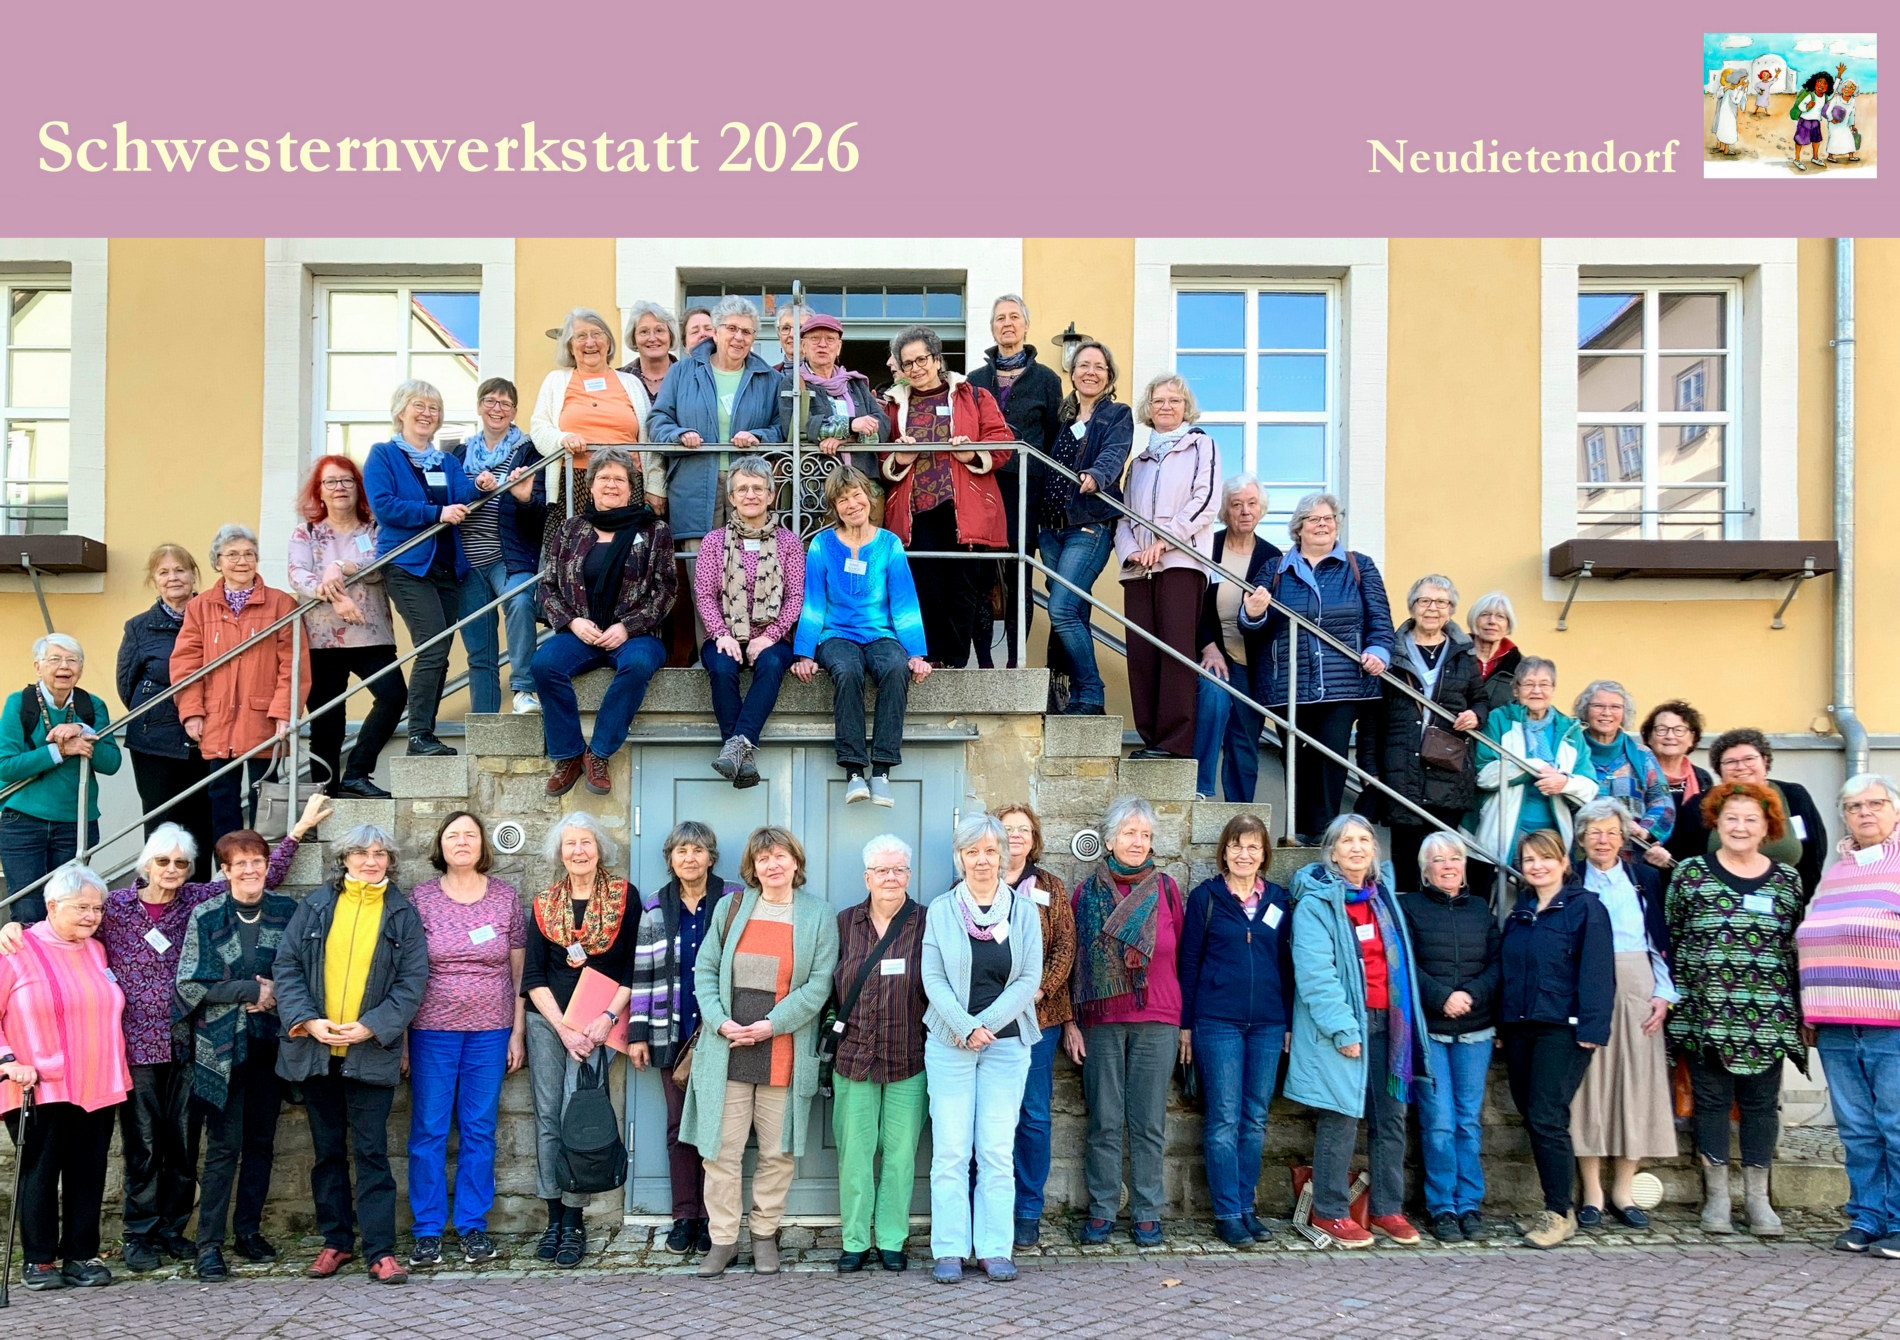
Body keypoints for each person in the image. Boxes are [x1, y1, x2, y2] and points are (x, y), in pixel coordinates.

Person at [63, 804, 317, 1273]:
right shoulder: (115, 907)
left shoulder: (195, 902)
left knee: (183, 1142)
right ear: (146, 864)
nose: (173, 870)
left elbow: (255, 868)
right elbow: (67, 915)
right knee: (142, 1142)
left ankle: (173, 1230)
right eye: (164, 862)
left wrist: (298, 831)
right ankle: (139, 1233)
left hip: (188, 1041)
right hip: (136, 1043)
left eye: (181, 862)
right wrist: (16, 929)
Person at [272, 823, 430, 1285]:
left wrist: (372, 1026)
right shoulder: (317, 905)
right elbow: (287, 966)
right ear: (344, 859)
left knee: (372, 1152)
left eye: (380, 853)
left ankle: (380, 1251)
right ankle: (336, 1242)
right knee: (326, 1153)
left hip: (370, 1053)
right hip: (316, 1051)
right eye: (361, 852)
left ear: (390, 861)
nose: (370, 860)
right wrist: (307, 1019)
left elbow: (412, 981)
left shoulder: (402, 913)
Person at [681, 826, 839, 1278]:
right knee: (721, 1152)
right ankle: (724, 1240)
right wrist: (720, 1020)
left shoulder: (817, 915)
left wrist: (772, 1025)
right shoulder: (731, 908)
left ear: (795, 862)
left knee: (777, 1152)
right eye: (764, 858)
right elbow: (705, 970)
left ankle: (765, 1235)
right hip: (727, 1048)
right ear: (753, 867)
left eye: (781, 856)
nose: (773, 865)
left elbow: (818, 985)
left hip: (783, 1050)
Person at [1665, 781, 1805, 1236]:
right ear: (1716, 823)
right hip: (1707, 1014)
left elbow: (1793, 948)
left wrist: (1801, 1014)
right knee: (1711, 1104)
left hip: (1769, 1015)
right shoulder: (1690, 874)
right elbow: (1675, 939)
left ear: (1767, 827)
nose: (1740, 827)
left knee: (1761, 1106)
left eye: (1751, 819)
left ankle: (1759, 1201)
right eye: (1731, 819)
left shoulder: (1787, 881)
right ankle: (1718, 1199)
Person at [1287, 815, 1430, 1248]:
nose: (1356, 847)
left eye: (1364, 840)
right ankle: (1330, 1211)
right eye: (1346, 841)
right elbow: (1316, 974)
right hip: (1348, 1026)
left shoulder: (1383, 898)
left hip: (1393, 1025)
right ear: (1331, 852)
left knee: (1391, 1119)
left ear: (1374, 851)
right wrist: (1343, 1028)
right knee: (1341, 1115)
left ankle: (1386, 1208)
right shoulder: (1317, 903)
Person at [174, 828, 303, 1280]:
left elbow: (303, 970)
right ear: (224, 870)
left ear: (269, 866)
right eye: (240, 863)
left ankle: (248, 1231)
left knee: (262, 1144)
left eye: (257, 861)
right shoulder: (207, 915)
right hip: (221, 1050)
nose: (250, 870)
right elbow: (191, 982)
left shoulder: (288, 911)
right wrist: (253, 988)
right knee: (224, 1148)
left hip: (271, 1043)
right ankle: (209, 1245)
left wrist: (274, 997)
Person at [403, 812, 527, 1269]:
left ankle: (473, 1227)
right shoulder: (420, 898)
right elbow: (406, 971)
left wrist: (518, 1031)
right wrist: (400, 1040)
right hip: (431, 1030)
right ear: (441, 844)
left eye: (469, 835)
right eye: (452, 835)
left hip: (490, 1031)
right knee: (429, 1131)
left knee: (479, 1129)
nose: (461, 842)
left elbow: (518, 973)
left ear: (481, 846)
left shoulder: (506, 899)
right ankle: (428, 1231)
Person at [922, 815, 1042, 1284]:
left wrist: (985, 1026)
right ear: (961, 858)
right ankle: (950, 1248)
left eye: (991, 851)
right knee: (951, 1151)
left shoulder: (1024, 911)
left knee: (995, 1150)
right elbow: (932, 978)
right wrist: (964, 1026)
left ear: (1004, 856)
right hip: (949, 1044)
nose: (982, 860)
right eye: (972, 851)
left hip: (1007, 1046)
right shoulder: (940, 909)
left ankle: (994, 1247)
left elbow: (1030, 979)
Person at [0, 864, 131, 1290]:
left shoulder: (96, 949)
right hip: (36, 1083)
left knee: (88, 1170)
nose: (92, 916)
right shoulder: (16, 949)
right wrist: (7, 1061)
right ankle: (38, 1260)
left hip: (98, 1079)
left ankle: (81, 1254)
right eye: (82, 907)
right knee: (39, 1171)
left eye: (97, 908)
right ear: (52, 905)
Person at [1065, 796, 1185, 1246]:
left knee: (1150, 1120)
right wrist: (1072, 1023)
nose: (1138, 842)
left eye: (1146, 835)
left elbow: (1185, 958)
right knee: (1104, 1119)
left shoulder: (1167, 889)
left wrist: (1186, 1023)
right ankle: (1101, 1210)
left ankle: (1147, 1211)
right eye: (1130, 833)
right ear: (1110, 839)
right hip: (1101, 1020)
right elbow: (1074, 961)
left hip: (1159, 1018)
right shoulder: (1086, 893)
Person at [521, 812, 637, 1268]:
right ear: (559, 852)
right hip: (549, 1022)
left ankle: (575, 1219)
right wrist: (563, 1029)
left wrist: (607, 1019)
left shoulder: (624, 899)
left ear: (599, 849)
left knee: (579, 1114)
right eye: (570, 844)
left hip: (599, 1024)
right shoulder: (543, 904)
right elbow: (531, 975)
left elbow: (632, 969)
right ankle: (554, 1217)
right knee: (548, 1115)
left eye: (586, 842)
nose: (578, 851)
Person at [1243, 491, 1395, 832]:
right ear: (1299, 528)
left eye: (1329, 518)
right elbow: (1252, 628)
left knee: (1331, 758)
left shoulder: (1360, 566)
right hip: (1288, 685)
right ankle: (1298, 834)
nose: (1323, 524)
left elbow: (1381, 622)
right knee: (1295, 759)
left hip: (1343, 684)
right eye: (1314, 519)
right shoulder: (1274, 569)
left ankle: (1324, 838)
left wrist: (1379, 652)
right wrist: (1251, 613)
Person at [531, 446, 675, 798]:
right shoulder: (570, 530)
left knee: (639, 664)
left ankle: (598, 754)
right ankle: (567, 755)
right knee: (544, 663)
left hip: (636, 633)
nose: (611, 485)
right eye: (604, 478)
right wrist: (572, 623)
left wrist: (627, 626)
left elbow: (666, 590)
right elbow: (547, 587)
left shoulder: (654, 531)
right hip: (582, 631)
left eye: (619, 479)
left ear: (631, 487)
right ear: (591, 485)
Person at [648, 295, 787, 660]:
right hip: (696, 485)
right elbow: (657, 420)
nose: (739, 337)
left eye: (747, 331)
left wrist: (759, 437)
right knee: (702, 581)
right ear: (717, 330)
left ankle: (752, 654)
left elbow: (780, 429)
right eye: (731, 329)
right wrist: (677, 434)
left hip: (749, 486)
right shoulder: (683, 370)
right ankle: (713, 657)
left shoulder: (767, 377)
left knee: (753, 570)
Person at [1796, 774, 1900, 1256]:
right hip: (1836, 1022)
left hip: (1891, 1023)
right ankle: (1868, 1217)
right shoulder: (1839, 869)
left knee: (1896, 1126)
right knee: (1857, 1129)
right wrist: (1810, 1012)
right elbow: (1815, 941)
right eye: (1854, 806)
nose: (1865, 813)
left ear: (1895, 812)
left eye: (1875, 804)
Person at [627, 821, 741, 1256]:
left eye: (697, 850)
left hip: (722, 1033)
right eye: (681, 851)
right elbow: (643, 971)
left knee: (719, 1131)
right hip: (671, 1032)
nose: (689, 858)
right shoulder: (656, 905)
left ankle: (716, 1219)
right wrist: (638, 1032)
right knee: (679, 1129)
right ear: (670, 859)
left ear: (711, 857)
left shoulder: (734, 899)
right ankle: (684, 1216)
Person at [1497, 829, 1613, 1249]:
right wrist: (1501, 1022)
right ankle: (1555, 1206)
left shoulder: (1585, 909)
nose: (1537, 866)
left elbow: (1598, 973)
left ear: (1565, 862)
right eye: (1528, 860)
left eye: (1545, 858)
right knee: (1533, 1114)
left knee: (1546, 1115)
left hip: (1563, 1028)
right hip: (1520, 1025)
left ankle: (1560, 1212)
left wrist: (1592, 1030)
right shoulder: (1521, 912)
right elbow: (1509, 971)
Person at [1180, 812, 1292, 1247]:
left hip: (1267, 1023)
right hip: (1217, 1023)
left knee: (1256, 1118)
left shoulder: (1279, 901)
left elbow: (1287, 965)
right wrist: (1186, 1025)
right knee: (1223, 1118)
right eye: (1236, 846)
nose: (1244, 854)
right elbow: (1188, 963)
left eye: (1253, 847)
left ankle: (1247, 1207)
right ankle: (1227, 1213)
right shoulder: (1205, 898)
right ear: (1223, 851)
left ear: (1264, 854)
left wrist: (1287, 1022)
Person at [790, 467, 931, 808]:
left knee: (896, 669)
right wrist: (804, 653)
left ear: (869, 497)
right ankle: (854, 770)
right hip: (835, 635)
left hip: (880, 634)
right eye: (842, 499)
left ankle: (881, 771)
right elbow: (813, 602)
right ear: (834, 507)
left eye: (856, 495)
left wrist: (916, 653)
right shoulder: (821, 545)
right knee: (848, 670)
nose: (852, 504)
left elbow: (903, 601)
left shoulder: (889, 544)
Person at [1569, 798, 1678, 1229]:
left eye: (1612, 831)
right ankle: (1592, 1192)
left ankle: (1624, 1190)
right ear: (1580, 839)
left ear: (1624, 838)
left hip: (1638, 983)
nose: (1603, 839)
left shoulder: (1644, 878)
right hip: (1586, 986)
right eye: (1594, 832)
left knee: (1636, 1086)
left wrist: (1664, 994)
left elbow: (1661, 939)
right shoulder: (1571, 880)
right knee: (1590, 1089)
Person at [880, 325, 1013, 668]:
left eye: (922, 359)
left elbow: (1003, 445)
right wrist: (900, 459)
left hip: (963, 506)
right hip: (916, 509)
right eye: (907, 363)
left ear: (938, 359)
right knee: (925, 585)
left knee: (963, 587)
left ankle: (954, 659)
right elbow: (880, 459)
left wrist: (971, 453)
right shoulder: (893, 405)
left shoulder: (975, 396)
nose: (915, 368)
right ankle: (930, 656)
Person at [361, 380, 478, 756]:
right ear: (400, 412)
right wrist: (436, 513)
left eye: (434, 407)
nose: (427, 413)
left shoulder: (446, 460)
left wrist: (486, 482)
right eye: (419, 405)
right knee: (432, 645)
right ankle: (417, 736)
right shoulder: (383, 455)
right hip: (408, 565)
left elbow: (462, 494)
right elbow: (385, 507)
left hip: (446, 567)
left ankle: (423, 732)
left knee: (440, 648)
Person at [831, 834, 929, 1274]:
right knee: (855, 1152)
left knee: (901, 1153)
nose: (891, 877)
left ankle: (891, 1238)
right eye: (883, 870)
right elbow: (824, 985)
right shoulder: (844, 923)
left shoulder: (928, 922)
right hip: (853, 1057)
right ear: (867, 877)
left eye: (899, 870)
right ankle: (854, 1239)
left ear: (909, 875)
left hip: (910, 1056)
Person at [171, 524, 308, 834]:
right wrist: (191, 712)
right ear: (217, 561)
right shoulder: (199, 606)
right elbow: (186, 664)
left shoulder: (281, 605)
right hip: (217, 719)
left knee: (267, 797)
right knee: (221, 799)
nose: (242, 561)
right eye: (232, 554)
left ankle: (267, 867)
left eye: (249, 554)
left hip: (265, 719)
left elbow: (294, 664)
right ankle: (227, 873)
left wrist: (285, 713)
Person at [1404, 831, 1501, 1242]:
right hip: (1432, 1034)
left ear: (1465, 866)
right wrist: (1441, 997)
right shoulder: (1409, 907)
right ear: (1425, 870)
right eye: (1439, 859)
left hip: (1475, 1033)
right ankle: (1442, 1205)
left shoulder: (1481, 910)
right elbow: (1404, 964)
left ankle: (1469, 1204)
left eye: (1455, 858)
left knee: (1468, 1123)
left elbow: (1498, 964)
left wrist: (1471, 996)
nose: (1448, 865)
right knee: (1439, 1124)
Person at [288, 453, 404, 799]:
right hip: (322, 639)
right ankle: (322, 797)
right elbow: (298, 574)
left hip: (370, 633)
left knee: (394, 696)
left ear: (358, 487)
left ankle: (357, 773)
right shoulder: (306, 532)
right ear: (319, 491)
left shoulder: (374, 527)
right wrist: (338, 598)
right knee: (327, 723)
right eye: (331, 482)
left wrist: (339, 565)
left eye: (346, 480)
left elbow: (381, 565)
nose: (339, 488)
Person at [1118, 374, 1219, 760]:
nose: (1166, 406)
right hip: (1139, 569)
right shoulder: (1139, 462)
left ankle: (1175, 743)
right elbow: (1123, 516)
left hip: (1180, 562)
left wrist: (1164, 541)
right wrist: (1131, 552)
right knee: (1142, 654)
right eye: (1158, 400)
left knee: (1175, 652)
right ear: (1149, 407)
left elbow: (1204, 500)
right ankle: (1150, 739)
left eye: (1174, 400)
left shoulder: (1201, 446)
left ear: (1185, 406)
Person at [1033, 340, 1132, 718]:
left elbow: (1114, 453)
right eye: (1083, 365)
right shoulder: (1062, 418)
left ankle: (1091, 691)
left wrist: (1097, 475)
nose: (1090, 372)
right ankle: (1078, 697)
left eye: (1099, 367)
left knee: (1060, 608)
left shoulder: (1116, 414)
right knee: (1074, 611)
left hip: (1088, 525)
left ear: (1109, 376)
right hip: (1051, 529)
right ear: (1072, 373)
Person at [694, 456, 805, 788]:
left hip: (772, 641)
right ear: (731, 498)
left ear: (771, 495)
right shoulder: (713, 542)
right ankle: (744, 755)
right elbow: (704, 594)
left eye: (758, 488)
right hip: (724, 635)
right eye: (742, 488)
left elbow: (795, 598)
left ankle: (735, 746)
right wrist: (721, 634)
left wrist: (769, 636)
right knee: (723, 667)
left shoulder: (789, 543)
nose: (750, 494)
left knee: (771, 665)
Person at [995, 802, 1075, 1249]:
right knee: (987, 1118)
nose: (1017, 836)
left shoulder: (1051, 887)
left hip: (1039, 1020)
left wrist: (1037, 991)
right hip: (987, 1023)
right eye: (1008, 828)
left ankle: (1027, 1208)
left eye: (1024, 829)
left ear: (1034, 838)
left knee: (1033, 1116)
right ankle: (986, 1204)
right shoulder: (969, 886)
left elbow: (1065, 946)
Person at [967, 296, 1063, 671]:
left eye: (1014, 318)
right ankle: (985, 662)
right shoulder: (974, 380)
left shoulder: (1047, 380)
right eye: (999, 318)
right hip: (983, 487)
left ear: (1025, 326)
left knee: (1019, 576)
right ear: (992, 328)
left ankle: (1012, 663)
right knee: (980, 576)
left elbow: (1054, 441)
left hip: (1025, 490)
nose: (1007, 324)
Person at [1, 635, 124, 924]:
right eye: (54, 659)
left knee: (70, 908)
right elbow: (5, 766)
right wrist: (59, 751)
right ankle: (31, 970)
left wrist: (83, 730)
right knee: (29, 910)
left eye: (72, 660)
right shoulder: (19, 703)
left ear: (80, 669)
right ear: (38, 666)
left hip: (76, 822)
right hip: (23, 822)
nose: (64, 666)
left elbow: (112, 763)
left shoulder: (91, 705)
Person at [116, 543, 214, 879]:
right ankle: (157, 900)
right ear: (154, 580)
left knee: (203, 820)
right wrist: (158, 715)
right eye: (164, 572)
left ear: (193, 574)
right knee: (160, 822)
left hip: (208, 735)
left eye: (180, 570)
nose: (173, 578)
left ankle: (197, 900)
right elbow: (127, 685)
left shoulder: (214, 616)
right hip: (153, 742)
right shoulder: (139, 627)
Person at [1378, 574, 1481, 892]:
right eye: (1424, 601)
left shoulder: (1464, 654)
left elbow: (1480, 698)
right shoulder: (1391, 652)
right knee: (1407, 865)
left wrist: (1475, 714)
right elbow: (1372, 716)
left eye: (1441, 602)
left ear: (1451, 610)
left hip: (1446, 771)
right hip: (1402, 769)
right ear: (1412, 607)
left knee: (1445, 861)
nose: (1432, 608)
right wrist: (1370, 767)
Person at [451, 378, 545, 716]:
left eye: (505, 403)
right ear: (479, 407)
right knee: (480, 649)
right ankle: (485, 721)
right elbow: (450, 498)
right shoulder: (458, 454)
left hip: (509, 556)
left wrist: (522, 499)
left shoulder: (530, 451)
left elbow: (541, 512)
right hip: (467, 564)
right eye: (490, 401)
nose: (497, 408)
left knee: (521, 600)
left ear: (515, 412)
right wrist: (476, 487)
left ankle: (522, 688)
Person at [1671, 728, 1828, 902]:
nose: (1741, 767)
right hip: (1715, 907)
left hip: (1781, 906)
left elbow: (1813, 853)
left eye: (1749, 759)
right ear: (1719, 770)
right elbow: (1683, 858)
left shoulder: (1794, 796)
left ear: (1765, 760)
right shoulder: (1699, 805)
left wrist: (1796, 899)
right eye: (1730, 762)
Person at [1473, 656, 1600, 871]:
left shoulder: (1569, 729)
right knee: (1509, 896)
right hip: (1506, 831)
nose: (1537, 691)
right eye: (1529, 684)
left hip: (1554, 833)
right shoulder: (1499, 720)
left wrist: (1564, 783)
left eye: (1544, 684)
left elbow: (1590, 784)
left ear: (1553, 689)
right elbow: (1483, 775)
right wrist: (1532, 766)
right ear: (1515, 690)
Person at [1193, 476, 1277, 798]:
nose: (1244, 511)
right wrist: (1208, 645)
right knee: (1212, 707)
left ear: (1261, 510)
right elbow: (1192, 602)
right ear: (1224, 511)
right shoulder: (1206, 546)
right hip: (1211, 651)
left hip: (1250, 662)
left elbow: (1275, 619)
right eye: (1236, 504)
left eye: (1252, 504)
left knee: (1244, 742)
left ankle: (1241, 815)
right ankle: (1200, 791)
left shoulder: (1272, 557)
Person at [529, 306, 650, 507]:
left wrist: (654, 487)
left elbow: (649, 438)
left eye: (596, 334)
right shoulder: (556, 381)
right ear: (569, 346)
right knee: (575, 538)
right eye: (581, 336)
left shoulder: (631, 382)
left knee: (624, 539)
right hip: (572, 481)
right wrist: (563, 438)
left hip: (625, 482)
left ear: (608, 341)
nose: (590, 342)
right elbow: (539, 428)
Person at [787, 313, 886, 525]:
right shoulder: (793, 384)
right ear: (803, 347)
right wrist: (851, 425)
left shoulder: (855, 384)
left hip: (865, 487)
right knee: (826, 551)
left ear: (839, 347)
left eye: (830, 339)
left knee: (867, 551)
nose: (822, 344)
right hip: (819, 486)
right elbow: (799, 425)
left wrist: (846, 438)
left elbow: (883, 424)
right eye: (815, 339)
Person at [1573, 680, 1676, 856]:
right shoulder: (1570, 751)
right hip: (1580, 855)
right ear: (1585, 710)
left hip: (1631, 856)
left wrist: (1645, 830)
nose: (1606, 713)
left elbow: (1663, 803)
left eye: (1615, 707)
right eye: (1598, 706)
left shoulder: (1642, 755)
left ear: (1624, 713)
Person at [1644, 699, 1713, 867]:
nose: (1670, 736)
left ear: (1692, 738)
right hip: (1646, 865)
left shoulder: (1702, 778)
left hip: (1691, 869)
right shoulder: (1637, 773)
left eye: (1679, 730)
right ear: (1649, 737)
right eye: (1661, 730)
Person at [1467, 591, 1524, 722]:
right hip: (1451, 737)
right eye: (1485, 615)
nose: (1492, 621)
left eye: (1500, 616)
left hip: (1496, 740)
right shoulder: (1453, 655)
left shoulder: (1520, 666)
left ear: (1508, 624)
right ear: (1474, 619)